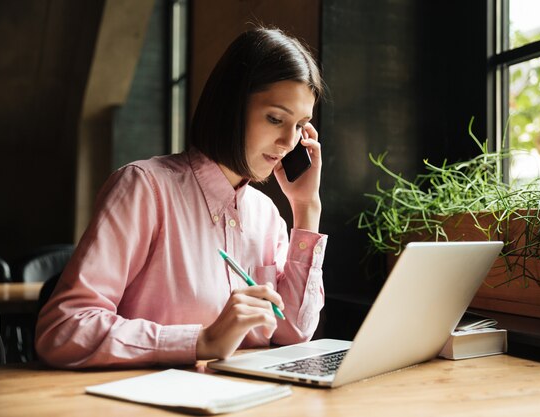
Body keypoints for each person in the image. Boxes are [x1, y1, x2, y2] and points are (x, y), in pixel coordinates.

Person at [35, 26, 327, 368]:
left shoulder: (265, 215)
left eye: (300, 126)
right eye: (275, 118)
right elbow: (63, 328)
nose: (288, 142)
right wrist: (201, 341)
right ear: (232, 106)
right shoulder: (144, 189)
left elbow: (293, 331)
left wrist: (306, 208)